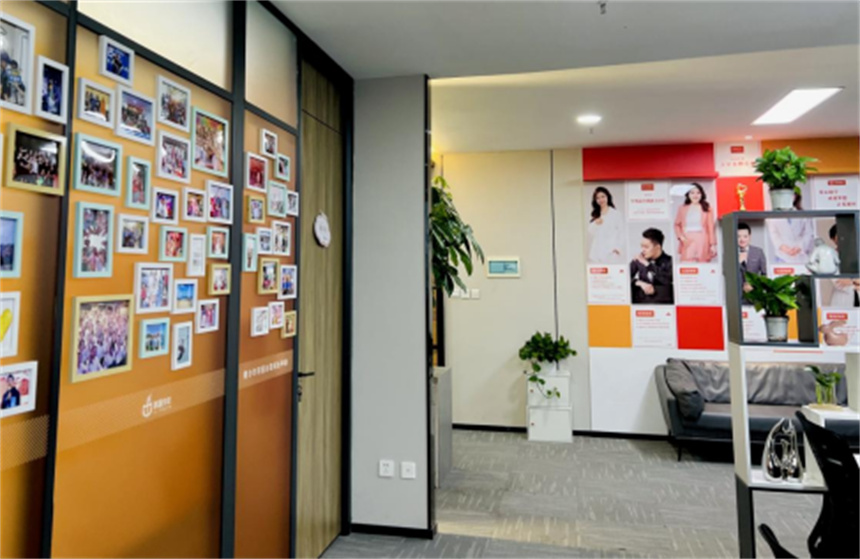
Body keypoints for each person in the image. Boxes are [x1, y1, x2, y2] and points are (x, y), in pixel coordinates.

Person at [674, 183, 717, 262]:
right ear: (688, 194)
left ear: (701, 194)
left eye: (698, 193)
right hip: (687, 240)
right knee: (687, 265)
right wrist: (681, 237)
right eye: (692, 193)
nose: (695, 195)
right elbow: (677, 225)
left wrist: (712, 244)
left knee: (702, 264)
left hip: (702, 240)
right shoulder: (682, 208)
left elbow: (711, 227)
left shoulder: (707, 208)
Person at [630, 228, 674, 304]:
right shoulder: (639, 259)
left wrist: (647, 264)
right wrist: (639, 283)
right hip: (641, 304)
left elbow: (667, 280)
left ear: (658, 247)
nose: (643, 250)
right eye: (642, 246)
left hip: (663, 304)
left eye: (646, 247)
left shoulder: (670, 261)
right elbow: (623, 278)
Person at [587, 186, 624, 263]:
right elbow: (591, 232)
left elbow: (622, 232)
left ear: (608, 197)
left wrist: (617, 248)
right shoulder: (595, 214)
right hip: (597, 251)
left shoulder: (616, 214)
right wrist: (596, 223)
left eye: (603, 196)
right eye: (598, 198)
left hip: (611, 252)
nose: (601, 200)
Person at [827, 224, 860, 307]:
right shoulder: (830, 257)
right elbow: (838, 282)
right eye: (839, 237)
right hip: (842, 300)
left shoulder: (856, 254)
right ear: (833, 240)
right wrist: (856, 282)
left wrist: (851, 281)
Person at [737, 222, 767, 298]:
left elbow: (764, 274)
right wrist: (738, 262)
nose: (742, 239)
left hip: (754, 295)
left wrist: (754, 285)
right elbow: (726, 274)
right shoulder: (730, 253)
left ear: (749, 237)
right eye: (738, 236)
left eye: (745, 236)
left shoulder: (758, 252)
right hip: (735, 295)